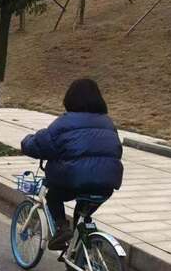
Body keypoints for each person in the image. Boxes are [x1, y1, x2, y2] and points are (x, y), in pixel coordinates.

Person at [21, 78, 123, 250]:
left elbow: (40, 144)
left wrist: (26, 142)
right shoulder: (108, 123)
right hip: (107, 183)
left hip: (74, 182)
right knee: (82, 213)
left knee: (52, 196)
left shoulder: (65, 122)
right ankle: (79, 251)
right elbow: (116, 150)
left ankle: (61, 228)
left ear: (70, 99)